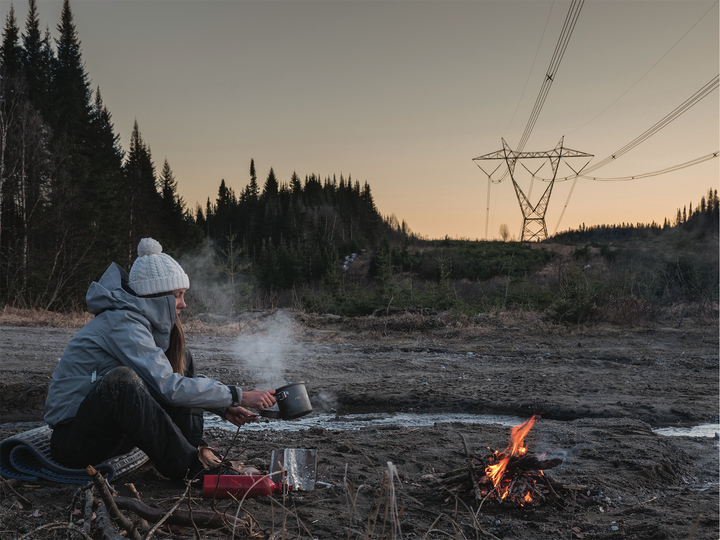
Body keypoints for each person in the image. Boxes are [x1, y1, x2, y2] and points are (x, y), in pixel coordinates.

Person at [44, 238, 276, 481]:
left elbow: (167, 378)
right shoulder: (122, 323)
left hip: (103, 432)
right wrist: (240, 395)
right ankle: (193, 470)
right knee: (121, 382)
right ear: (157, 296)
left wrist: (221, 405)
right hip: (74, 444)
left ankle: (197, 451)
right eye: (178, 295)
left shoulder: (139, 324)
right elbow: (168, 387)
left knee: (182, 357)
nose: (184, 304)